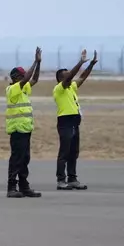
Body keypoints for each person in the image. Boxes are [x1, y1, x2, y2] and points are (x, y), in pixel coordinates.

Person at [54, 49, 96, 190]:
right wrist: (81, 62)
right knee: (64, 152)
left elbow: (82, 77)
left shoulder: (71, 86)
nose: (70, 75)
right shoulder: (59, 88)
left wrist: (91, 65)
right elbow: (72, 75)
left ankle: (72, 178)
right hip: (65, 123)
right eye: (67, 75)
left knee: (73, 152)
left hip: (74, 123)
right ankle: (61, 180)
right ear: (61, 78)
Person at [5, 47, 42, 198]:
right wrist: (35, 61)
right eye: (21, 75)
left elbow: (34, 79)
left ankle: (24, 186)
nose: (24, 77)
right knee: (16, 158)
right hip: (17, 129)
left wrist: (38, 64)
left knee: (25, 158)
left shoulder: (24, 87)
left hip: (26, 128)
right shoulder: (12, 89)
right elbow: (28, 78)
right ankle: (11, 188)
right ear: (15, 77)